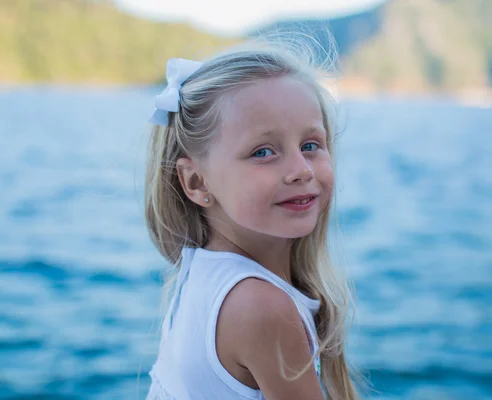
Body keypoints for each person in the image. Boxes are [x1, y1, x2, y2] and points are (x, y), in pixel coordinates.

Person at [144, 34, 363, 400]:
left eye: (310, 145)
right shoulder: (262, 309)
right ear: (196, 182)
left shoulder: (199, 270)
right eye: (263, 151)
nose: (300, 170)